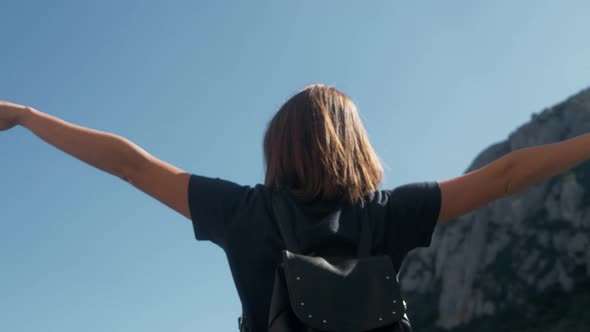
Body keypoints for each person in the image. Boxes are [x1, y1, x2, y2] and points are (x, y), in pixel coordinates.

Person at [1, 84, 588, 331]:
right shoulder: (390, 213)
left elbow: (126, 163)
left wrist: (27, 117)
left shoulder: (240, 212)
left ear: (276, 146)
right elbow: (508, 175)